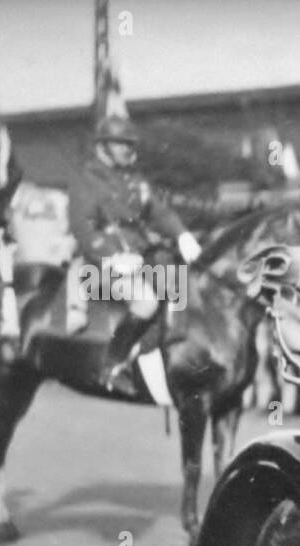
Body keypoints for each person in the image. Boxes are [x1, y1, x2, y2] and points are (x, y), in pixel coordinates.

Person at [67, 115, 203, 391]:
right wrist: (111, 257)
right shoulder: (86, 180)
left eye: (130, 144)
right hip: (97, 267)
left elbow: (159, 211)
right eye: (120, 144)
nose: (128, 149)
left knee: (183, 287)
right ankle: (113, 365)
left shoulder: (133, 180)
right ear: (103, 147)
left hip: (141, 259)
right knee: (146, 301)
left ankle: (165, 362)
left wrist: (182, 234)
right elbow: (82, 227)